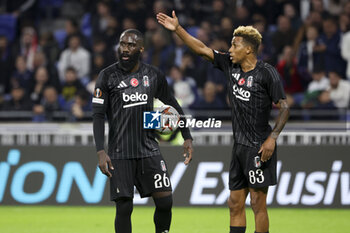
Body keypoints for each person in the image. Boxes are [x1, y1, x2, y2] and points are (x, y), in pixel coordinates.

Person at [157, 11, 289, 233]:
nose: (230, 50)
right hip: (238, 148)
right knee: (234, 203)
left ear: (248, 49)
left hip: (259, 147)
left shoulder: (267, 73)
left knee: (258, 203)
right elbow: (201, 49)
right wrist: (178, 29)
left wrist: (272, 139)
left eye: (234, 45)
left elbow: (284, 108)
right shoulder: (230, 65)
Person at [92, 29, 193, 233]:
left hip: (149, 150)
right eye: (123, 44)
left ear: (141, 49)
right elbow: (98, 116)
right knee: (124, 207)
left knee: (165, 201)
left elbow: (173, 105)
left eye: (131, 45)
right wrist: (100, 151)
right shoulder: (107, 76)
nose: (125, 49)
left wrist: (187, 136)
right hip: (120, 153)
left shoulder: (153, 75)